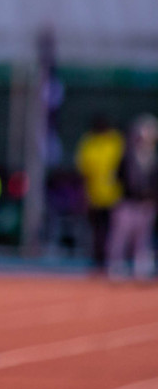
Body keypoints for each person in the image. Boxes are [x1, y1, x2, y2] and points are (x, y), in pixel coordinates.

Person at [108, 114, 158, 280]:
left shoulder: (153, 158)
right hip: (127, 202)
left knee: (143, 239)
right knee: (120, 237)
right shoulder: (127, 156)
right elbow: (117, 177)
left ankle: (141, 269)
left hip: (146, 204)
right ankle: (116, 267)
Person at [75, 116, 124, 272]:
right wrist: (85, 194)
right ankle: (98, 260)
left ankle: (113, 261)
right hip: (95, 195)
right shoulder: (89, 142)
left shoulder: (116, 142)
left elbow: (124, 168)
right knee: (97, 230)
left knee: (114, 231)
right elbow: (84, 171)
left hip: (115, 195)